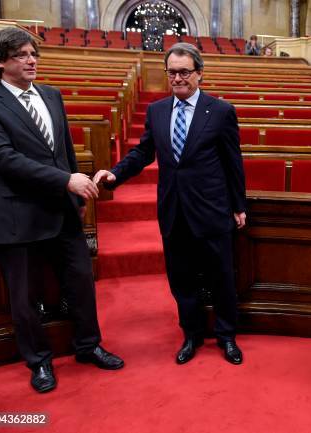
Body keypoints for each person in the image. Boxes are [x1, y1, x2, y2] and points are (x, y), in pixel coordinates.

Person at [0, 27, 124, 394]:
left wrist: (74, 199)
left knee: (80, 284)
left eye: (34, 54)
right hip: (17, 214)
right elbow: (3, 159)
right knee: (25, 297)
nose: (32, 61)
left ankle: (89, 346)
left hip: (61, 212)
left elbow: (65, 154)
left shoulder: (51, 95)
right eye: (22, 55)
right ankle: (39, 361)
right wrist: (65, 181)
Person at [93, 43, 246, 365]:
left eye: (184, 72)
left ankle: (227, 336)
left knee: (222, 277)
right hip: (174, 211)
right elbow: (143, 153)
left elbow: (233, 163)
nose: (177, 78)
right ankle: (191, 335)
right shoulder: (157, 111)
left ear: (199, 74)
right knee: (182, 280)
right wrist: (115, 174)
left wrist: (238, 206)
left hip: (212, 208)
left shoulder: (220, 111)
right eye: (172, 72)